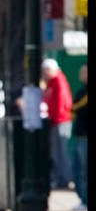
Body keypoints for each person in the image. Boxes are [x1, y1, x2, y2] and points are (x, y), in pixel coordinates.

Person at [41, 58, 73, 189]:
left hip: (61, 121)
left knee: (61, 152)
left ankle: (65, 179)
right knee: (56, 152)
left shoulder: (59, 81)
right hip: (55, 120)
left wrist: (55, 116)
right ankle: (60, 178)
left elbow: (62, 102)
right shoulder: (51, 82)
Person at [69, 63, 87, 210]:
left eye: (84, 73)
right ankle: (82, 198)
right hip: (79, 134)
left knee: (83, 170)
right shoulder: (81, 92)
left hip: (84, 135)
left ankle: (85, 200)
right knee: (78, 169)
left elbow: (75, 109)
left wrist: (74, 110)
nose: (81, 75)